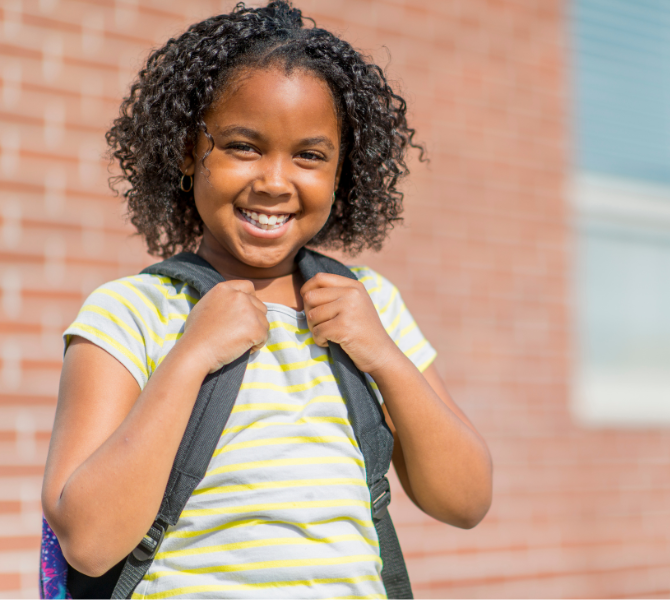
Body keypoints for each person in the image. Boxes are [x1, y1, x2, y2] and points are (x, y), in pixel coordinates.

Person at [40, 2, 493, 598]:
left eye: (309, 155)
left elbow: (465, 500)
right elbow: (89, 542)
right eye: (242, 146)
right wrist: (191, 355)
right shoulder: (132, 312)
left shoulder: (370, 304)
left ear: (341, 172)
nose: (275, 181)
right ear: (186, 152)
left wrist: (381, 353)